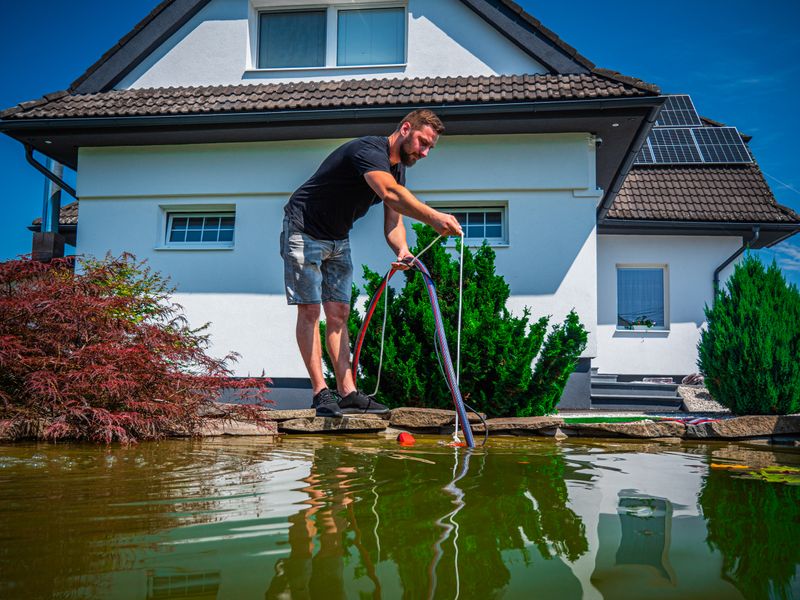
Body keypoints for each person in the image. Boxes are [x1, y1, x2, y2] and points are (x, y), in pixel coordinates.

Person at [280, 109, 463, 417]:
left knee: (338, 313)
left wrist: (402, 250)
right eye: (422, 142)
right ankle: (320, 393)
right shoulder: (367, 150)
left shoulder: (398, 171)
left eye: (430, 147)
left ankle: (348, 392)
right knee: (310, 309)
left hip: (339, 238)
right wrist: (434, 218)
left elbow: (394, 221)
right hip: (303, 229)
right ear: (405, 129)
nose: (425, 152)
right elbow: (390, 193)